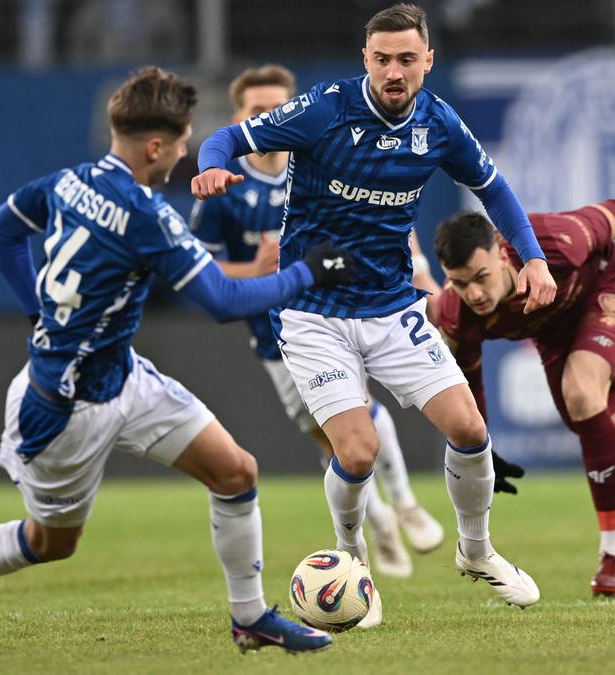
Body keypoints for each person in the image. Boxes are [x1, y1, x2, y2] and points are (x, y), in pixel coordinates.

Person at [0, 66, 356, 654]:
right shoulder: (146, 216)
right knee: (51, 543)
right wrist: (308, 272)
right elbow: (223, 301)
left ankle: (250, 617)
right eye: (182, 141)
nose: (185, 151)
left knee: (236, 473)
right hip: (64, 409)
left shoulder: (67, 182)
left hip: (123, 376)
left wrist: (37, 311)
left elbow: (0, 229)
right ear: (155, 146)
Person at [192, 2, 556, 617]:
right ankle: (351, 562)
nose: (393, 71)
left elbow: (493, 188)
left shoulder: (438, 123)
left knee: (470, 430)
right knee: (357, 451)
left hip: (390, 307)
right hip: (312, 311)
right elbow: (226, 138)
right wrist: (210, 169)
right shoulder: (325, 110)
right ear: (365, 58)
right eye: (382, 59)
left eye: (406, 59)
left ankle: (476, 551)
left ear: (428, 61)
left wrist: (536, 259)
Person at [189, 64, 445, 583]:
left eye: (277, 108)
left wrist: (421, 272)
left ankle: (406, 504)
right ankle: (382, 524)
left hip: (341, 309)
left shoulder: (322, 155)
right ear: (241, 118)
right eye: (258, 110)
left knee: (362, 412)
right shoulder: (228, 191)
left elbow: (387, 213)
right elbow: (198, 270)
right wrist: (253, 270)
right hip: (274, 334)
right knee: (330, 441)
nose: (270, 117)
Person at [422, 199, 615, 597]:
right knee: (610, 445)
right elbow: (471, 383)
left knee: (581, 393)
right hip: (554, 334)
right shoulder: (458, 315)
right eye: (459, 283)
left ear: (502, 253)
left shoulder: (556, 241)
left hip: (609, 286)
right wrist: (484, 448)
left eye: (481, 277)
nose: (473, 293)